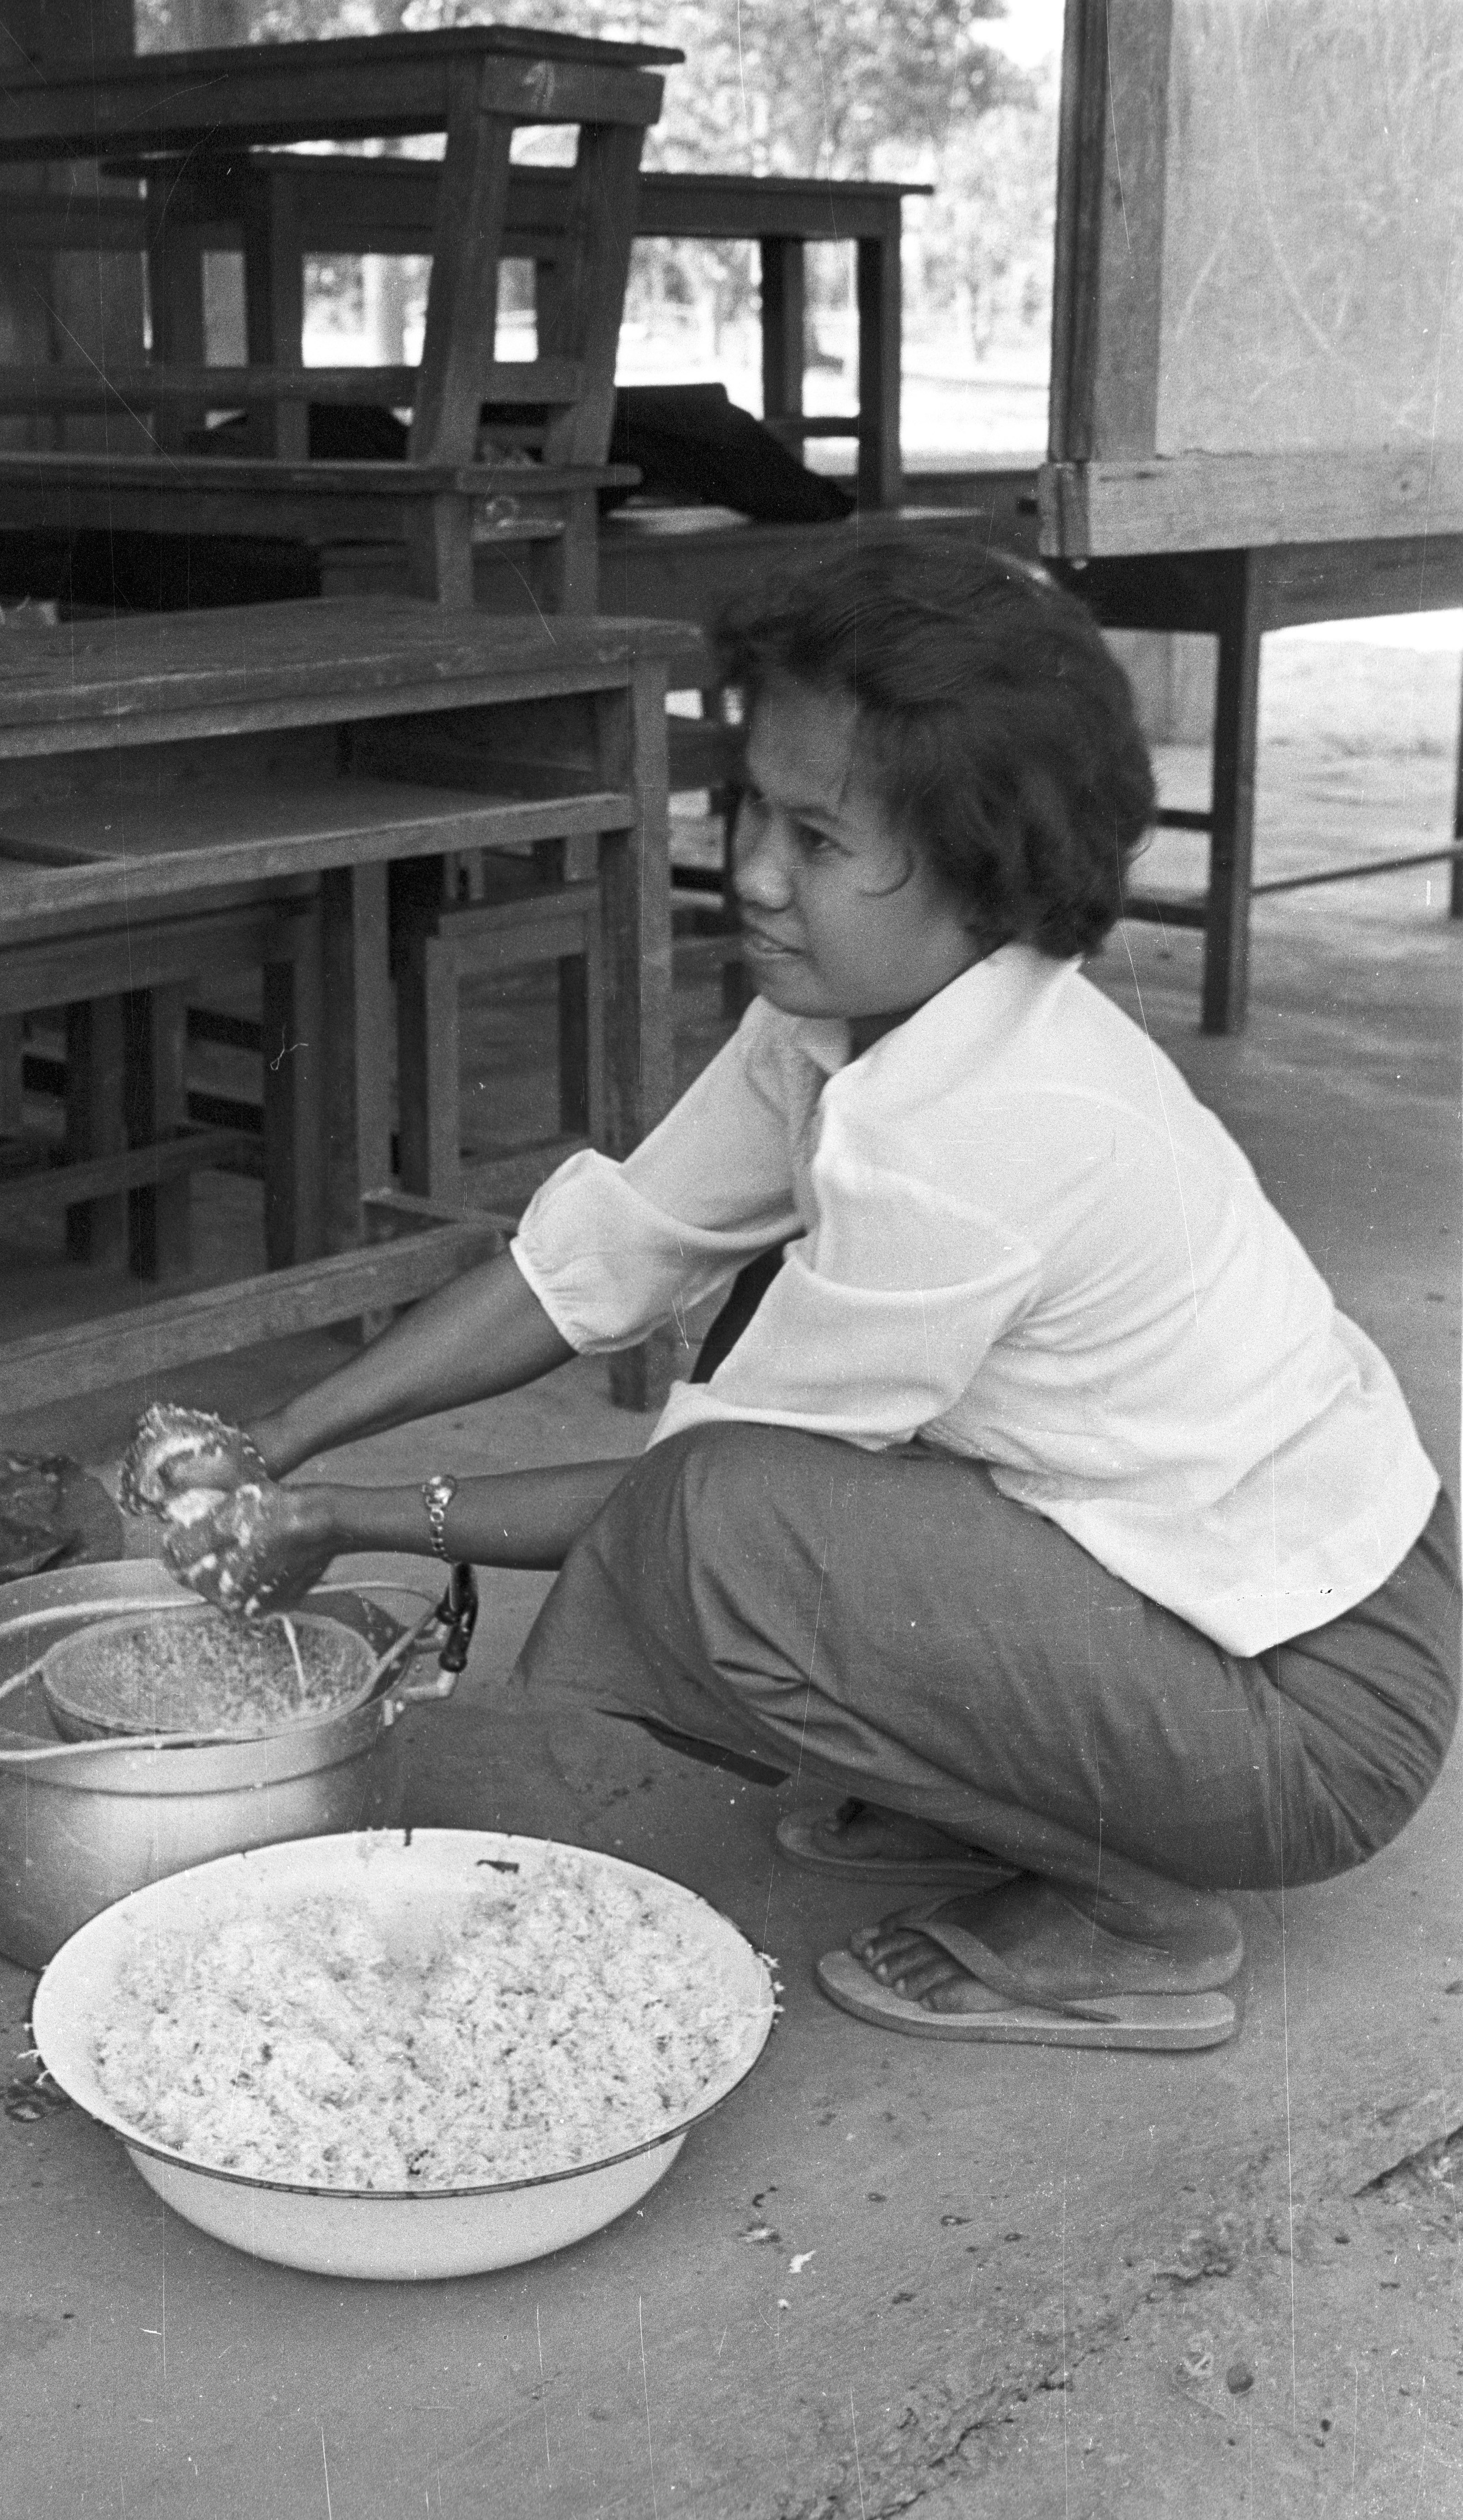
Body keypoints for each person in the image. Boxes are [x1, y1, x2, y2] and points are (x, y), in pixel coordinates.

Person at [125, 534, 1459, 2053]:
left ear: (981, 866)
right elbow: (610, 1251)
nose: (754, 870)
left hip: (1312, 1707)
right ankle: (989, 1777)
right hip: (1233, 1591)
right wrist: (279, 1437)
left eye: (818, 840)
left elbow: (690, 1505)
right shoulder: (858, 1010)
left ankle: (1134, 1911)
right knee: (762, 1327)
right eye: (753, 803)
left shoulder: (971, 1130)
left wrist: (340, 1518)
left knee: (727, 1539)